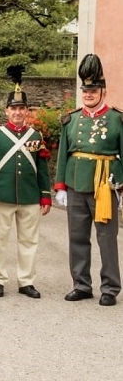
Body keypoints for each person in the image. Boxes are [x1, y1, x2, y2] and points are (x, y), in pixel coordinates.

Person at [0, 67, 50, 299]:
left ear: (27, 111)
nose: (18, 112)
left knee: (29, 240)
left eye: (22, 108)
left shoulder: (35, 136)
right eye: (14, 108)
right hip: (2, 195)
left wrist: (45, 194)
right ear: (6, 111)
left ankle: (26, 281)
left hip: (29, 196)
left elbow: (42, 168)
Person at [55, 54, 123, 306]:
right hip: (75, 185)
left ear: (102, 91)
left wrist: (122, 188)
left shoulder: (117, 119)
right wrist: (60, 186)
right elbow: (64, 153)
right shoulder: (71, 119)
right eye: (86, 90)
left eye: (93, 90)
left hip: (105, 185)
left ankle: (110, 288)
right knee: (77, 237)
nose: (89, 94)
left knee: (106, 238)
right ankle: (81, 284)